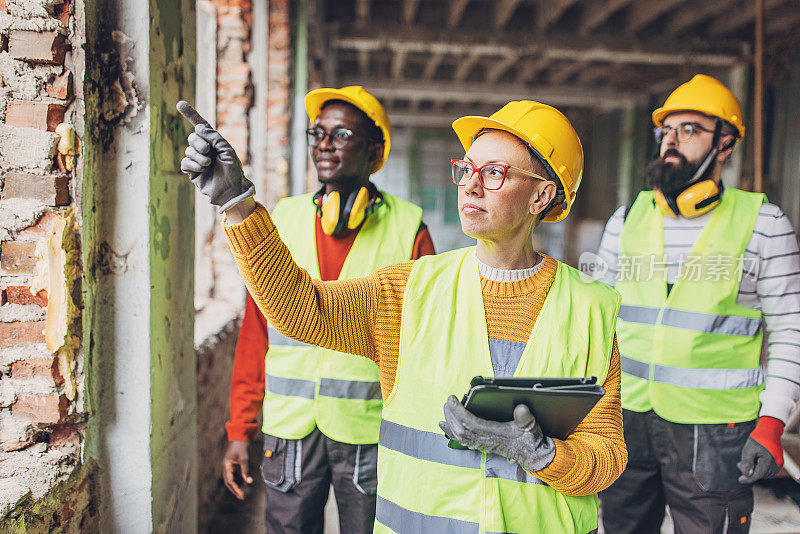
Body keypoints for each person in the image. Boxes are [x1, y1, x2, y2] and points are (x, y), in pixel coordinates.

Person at [178, 98, 627, 533]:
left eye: (493, 173)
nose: (470, 185)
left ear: (541, 196)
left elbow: (605, 457)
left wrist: (542, 455)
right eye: (466, 169)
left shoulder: (590, 309)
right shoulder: (409, 290)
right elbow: (300, 307)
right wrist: (237, 203)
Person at [216, 86, 434, 533]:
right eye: (318, 133)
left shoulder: (409, 228)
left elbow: (424, 344)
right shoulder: (280, 219)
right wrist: (240, 427)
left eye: (340, 134)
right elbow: (255, 331)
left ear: (374, 153)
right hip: (290, 428)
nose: (324, 143)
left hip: (368, 431)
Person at [596, 74, 800, 533]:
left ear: (725, 144)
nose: (671, 140)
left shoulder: (764, 224)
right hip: (629, 418)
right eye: (666, 131)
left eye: (689, 130)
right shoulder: (626, 219)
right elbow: (598, 320)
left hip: (716, 430)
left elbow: (792, 331)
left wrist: (773, 422)